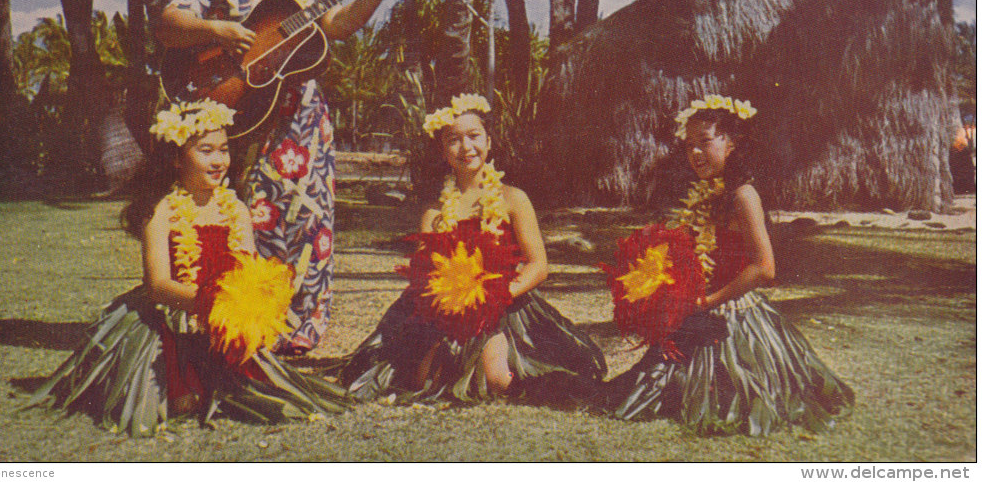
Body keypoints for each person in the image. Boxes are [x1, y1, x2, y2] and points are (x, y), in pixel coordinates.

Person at [158, 0, 403, 354]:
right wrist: (218, 29)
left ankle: (302, 331)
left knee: (312, 221)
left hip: (304, 117)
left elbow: (336, 25)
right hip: (240, 118)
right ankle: (250, 322)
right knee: (252, 217)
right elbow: (169, 24)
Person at [28, 100, 349, 437]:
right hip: (171, 318)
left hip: (221, 325)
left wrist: (255, 303)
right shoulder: (163, 210)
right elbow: (158, 285)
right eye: (206, 150)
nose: (219, 160)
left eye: (223, 149)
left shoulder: (237, 210)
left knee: (262, 392)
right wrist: (209, 304)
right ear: (178, 158)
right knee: (181, 402)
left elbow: (248, 272)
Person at [601, 95, 854, 435]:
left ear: (732, 143)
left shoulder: (742, 195)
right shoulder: (709, 192)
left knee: (727, 395)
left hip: (734, 313)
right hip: (700, 307)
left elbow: (764, 268)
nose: (695, 153)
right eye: (689, 145)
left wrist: (708, 301)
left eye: (705, 142)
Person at [339, 94, 607, 405]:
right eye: (454, 140)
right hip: (445, 312)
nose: (466, 148)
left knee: (496, 379)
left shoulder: (513, 198)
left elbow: (538, 265)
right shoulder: (434, 212)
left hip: (504, 306)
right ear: (443, 151)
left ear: (489, 142)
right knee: (422, 378)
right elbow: (427, 274)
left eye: (474, 136)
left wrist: (496, 296)